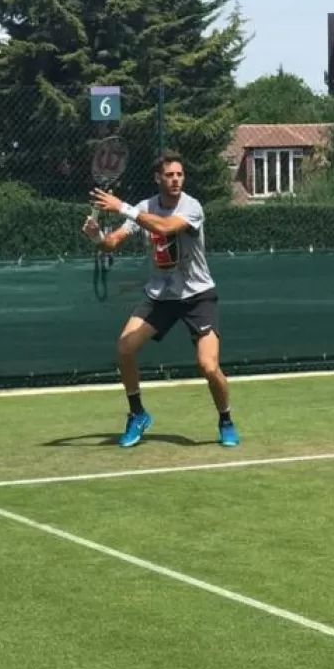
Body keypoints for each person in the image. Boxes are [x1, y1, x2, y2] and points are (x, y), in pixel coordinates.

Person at [82, 151, 240, 449]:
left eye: (180, 174)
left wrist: (122, 206)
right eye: (170, 175)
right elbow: (111, 243)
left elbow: (164, 227)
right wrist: (96, 236)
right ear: (158, 178)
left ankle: (225, 418)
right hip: (160, 297)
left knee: (208, 366)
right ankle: (138, 414)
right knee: (125, 347)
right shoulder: (144, 207)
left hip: (198, 296)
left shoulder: (192, 207)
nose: (176, 179)